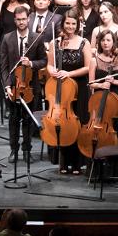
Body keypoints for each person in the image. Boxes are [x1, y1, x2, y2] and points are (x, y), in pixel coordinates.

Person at [46, 11, 93, 175]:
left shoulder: (84, 42)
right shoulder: (55, 42)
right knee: (62, 123)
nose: (70, 27)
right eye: (68, 23)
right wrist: (54, 72)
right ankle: (63, 162)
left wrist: (68, 74)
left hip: (79, 87)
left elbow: (88, 67)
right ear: (63, 24)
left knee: (78, 122)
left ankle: (78, 163)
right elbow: (50, 65)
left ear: (78, 25)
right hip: (60, 87)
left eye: (74, 24)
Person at [1, 5, 44, 162]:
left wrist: (31, 64)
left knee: (27, 119)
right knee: (13, 119)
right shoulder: (7, 38)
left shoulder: (36, 38)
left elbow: (44, 61)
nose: (21, 22)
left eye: (24, 19)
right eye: (18, 19)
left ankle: (27, 150)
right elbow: (4, 66)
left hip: (31, 87)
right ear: (14, 20)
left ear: (28, 19)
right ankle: (14, 150)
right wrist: (6, 85)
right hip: (12, 86)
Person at [88, 28, 118, 176]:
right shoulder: (94, 60)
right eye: (103, 40)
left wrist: (114, 80)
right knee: (101, 133)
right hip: (101, 100)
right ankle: (101, 169)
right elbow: (91, 83)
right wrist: (101, 85)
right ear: (99, 42)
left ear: (113, 42)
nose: (105, 43)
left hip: (117, 101)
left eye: (108, 40)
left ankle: (117, 170)